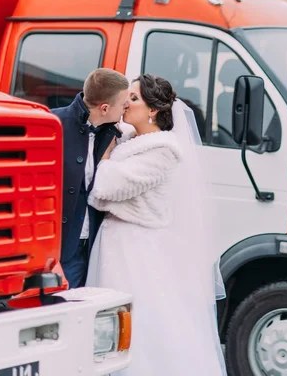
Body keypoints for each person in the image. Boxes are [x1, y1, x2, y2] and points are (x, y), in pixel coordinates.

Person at [85, 74, 227, 375]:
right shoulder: (131, 140)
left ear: (153, 110)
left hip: (135, 250)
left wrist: (106, 161)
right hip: (117, 243)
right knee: (109, 328)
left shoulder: (163, 151)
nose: (126, 103)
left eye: (134, 98)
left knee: (138, 329)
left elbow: (108, 187)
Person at [51, 68, 129, 289]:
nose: (126, 107)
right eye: (123, 102)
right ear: (105, 108)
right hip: (56, 249)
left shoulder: (114, 134)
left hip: (93, 246)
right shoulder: (52, 124)